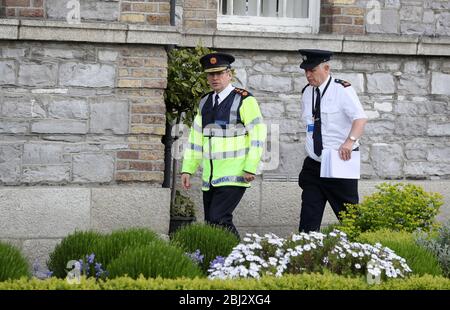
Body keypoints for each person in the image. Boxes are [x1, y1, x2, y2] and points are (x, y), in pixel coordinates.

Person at [180, 52, 266, 238]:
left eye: (219, 73)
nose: (215, 78)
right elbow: (196, 139)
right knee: (211, 223)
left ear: (229, 74)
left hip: (235, 173)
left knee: (220, 218)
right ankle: (221, 262)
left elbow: (258, 135)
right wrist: (187, 169)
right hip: (210, 176)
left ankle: (240, 260)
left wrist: (251, 167)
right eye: (211, 74)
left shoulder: (244, 99)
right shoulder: (205, 102)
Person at [297, 49, 368, 233]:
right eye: (306, 71)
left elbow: (360, 119)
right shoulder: (307, 92)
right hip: (314, 164)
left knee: (350, 219)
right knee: (308, 220)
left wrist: (350, 141)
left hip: (339, 162)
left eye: (312, 70)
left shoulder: (342, 89)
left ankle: (361, 255)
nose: (308, 75)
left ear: (326, 68)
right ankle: (306, 257)